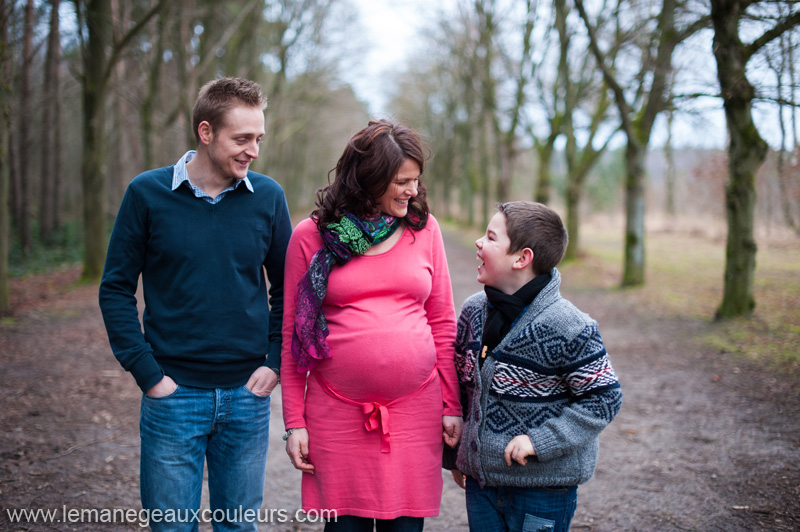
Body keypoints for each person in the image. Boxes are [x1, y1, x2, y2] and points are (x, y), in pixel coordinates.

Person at [99, 77, 291, 531]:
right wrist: (148, 374)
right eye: (241, 139)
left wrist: (274, 362)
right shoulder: (146, 194)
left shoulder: (268, 198)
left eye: (259, 139)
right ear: (205, 133)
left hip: (247, 397)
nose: (254, 151)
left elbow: (288, 290)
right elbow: (115, 288)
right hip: (173, 397)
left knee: (238, 527)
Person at [280, 119, 463, 532]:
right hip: (337, 416)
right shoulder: (312, 237)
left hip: (416, 412)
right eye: (401, 181)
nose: (412, 191)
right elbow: (295, 336)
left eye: (416, 180)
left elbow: (442, 324)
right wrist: (295, 423)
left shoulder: (423, 229)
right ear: (369, 179)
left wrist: (453, 406)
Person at [446, 201, 622, 532]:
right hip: (481, 487)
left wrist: (539, 441)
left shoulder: (569, 327)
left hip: (544, 489)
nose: (478, 243)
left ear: (521, 258)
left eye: (491, 237)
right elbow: (459, 389)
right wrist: (456, 457)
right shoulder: (473, 312)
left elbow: (604, 399)